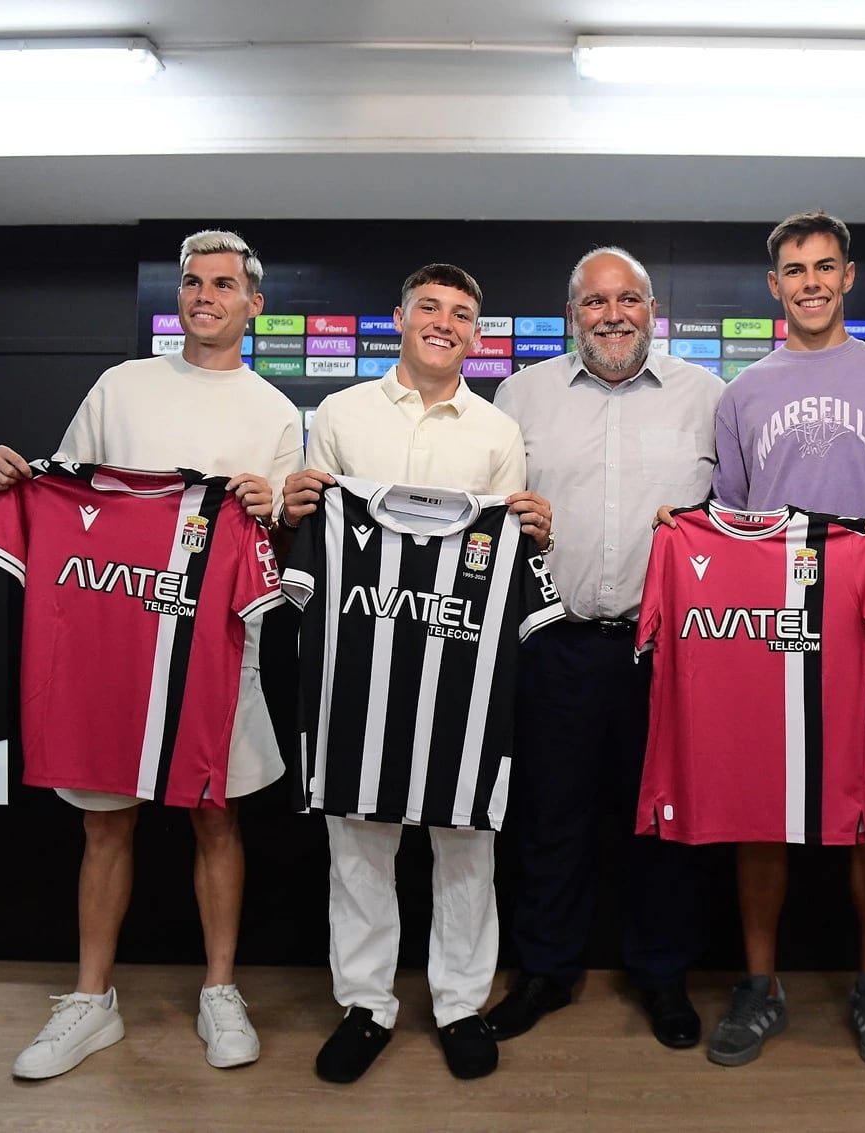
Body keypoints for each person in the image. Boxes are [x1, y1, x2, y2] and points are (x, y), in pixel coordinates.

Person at [0, 230, 302, 1079]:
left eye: (224, 283)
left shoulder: (275, 412)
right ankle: (92, 999)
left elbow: (280, 536)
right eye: (194, 282)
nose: (206, 294)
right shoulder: (121, 384)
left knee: (216, 813)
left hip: (220, 643)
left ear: (252, 303)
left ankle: (221, 988)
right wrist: (17, 478)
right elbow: (70, 487)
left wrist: (271, 508)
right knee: (104, 821)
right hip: (111, 636)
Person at [279, 263, 554, 1084]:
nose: (444, 322)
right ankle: (366, 1006)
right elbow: (312, 523)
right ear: (398, 317)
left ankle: (460, 1004)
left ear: (477, 334)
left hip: (460, 668)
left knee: (466, 839)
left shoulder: (496, 429)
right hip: (357, 660)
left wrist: (530, 524)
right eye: (429, 307)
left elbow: (501, 548)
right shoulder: (339, 412)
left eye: (462, 314)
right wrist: (299, 505)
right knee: (358, 837)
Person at [699, 211, 865, 1069]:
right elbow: (727, 521)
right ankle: (761, 982)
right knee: (761, 818)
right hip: (767, 640)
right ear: (774, 286)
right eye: (795, 270)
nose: (810, 281)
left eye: (825, 266)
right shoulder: (741, 392)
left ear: (849, 276)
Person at [487, 247, 724, 1049]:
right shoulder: (520, 394)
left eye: (628, 299)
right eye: (595, 302)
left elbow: (741, 523)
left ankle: (662, 975)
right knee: (551, 818)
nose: (612, 314)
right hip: (557, 644)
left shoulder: (709, 398)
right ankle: (546, 970)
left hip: (671, 652)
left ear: (653, 310)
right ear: (571, 313)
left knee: (662, 821)